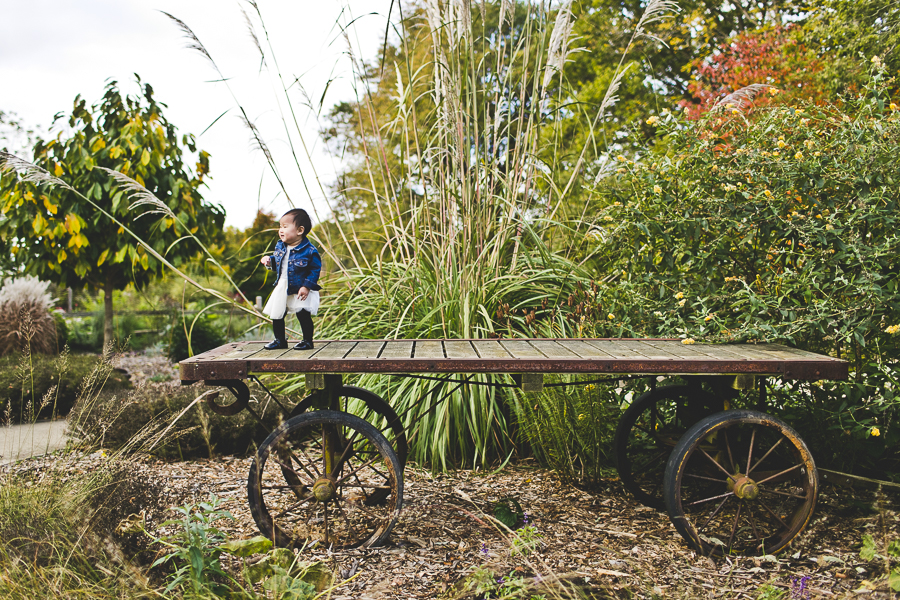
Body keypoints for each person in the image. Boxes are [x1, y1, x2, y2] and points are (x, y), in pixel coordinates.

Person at [260, 208, 322, 350]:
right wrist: (269, 261)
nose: (281, 230)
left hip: (300, 286)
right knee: (277, 313)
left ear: (300, 230)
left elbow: (314, 270)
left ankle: (307, 340)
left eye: (285, 227)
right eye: (280, 227)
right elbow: (278, 262)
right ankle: (280, 340)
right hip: (283, 284)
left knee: (302, 313)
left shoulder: (310, 251)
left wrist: (306, 286)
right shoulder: (280, 246)